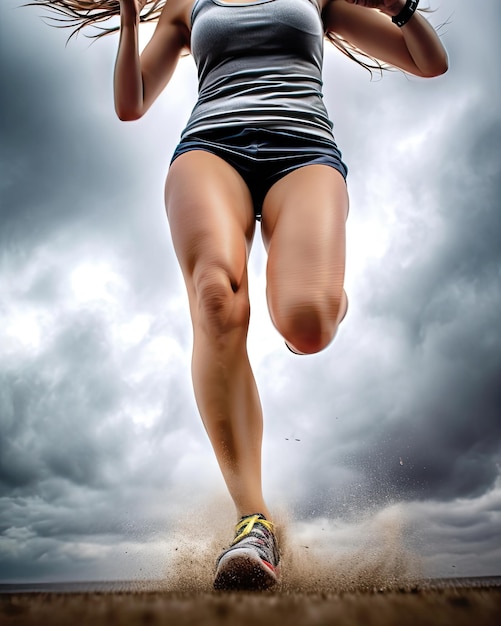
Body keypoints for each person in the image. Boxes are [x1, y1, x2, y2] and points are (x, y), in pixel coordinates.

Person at [33, 0, 448, 590]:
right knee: (216, 298)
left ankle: (324, 296)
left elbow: (428, 62)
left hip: (303, 154)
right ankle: (253, 522)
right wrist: (129, 20)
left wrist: (401, 9)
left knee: (307, 322)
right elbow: (130, 105)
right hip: (210, 152)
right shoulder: (185, 5)